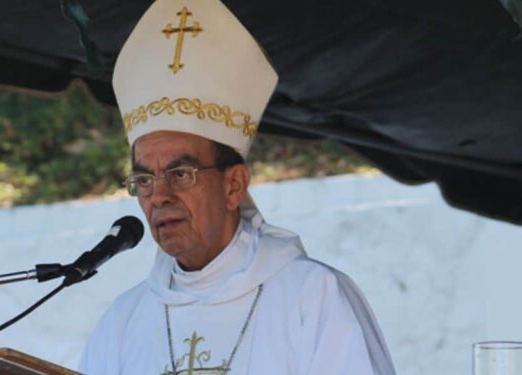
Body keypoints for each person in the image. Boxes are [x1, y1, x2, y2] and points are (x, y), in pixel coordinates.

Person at [79, 0, 396, 374]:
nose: (159, 197)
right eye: (144, 179)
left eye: (181, 174)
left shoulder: (312, 298)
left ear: (234, 185)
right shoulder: (123, 321)